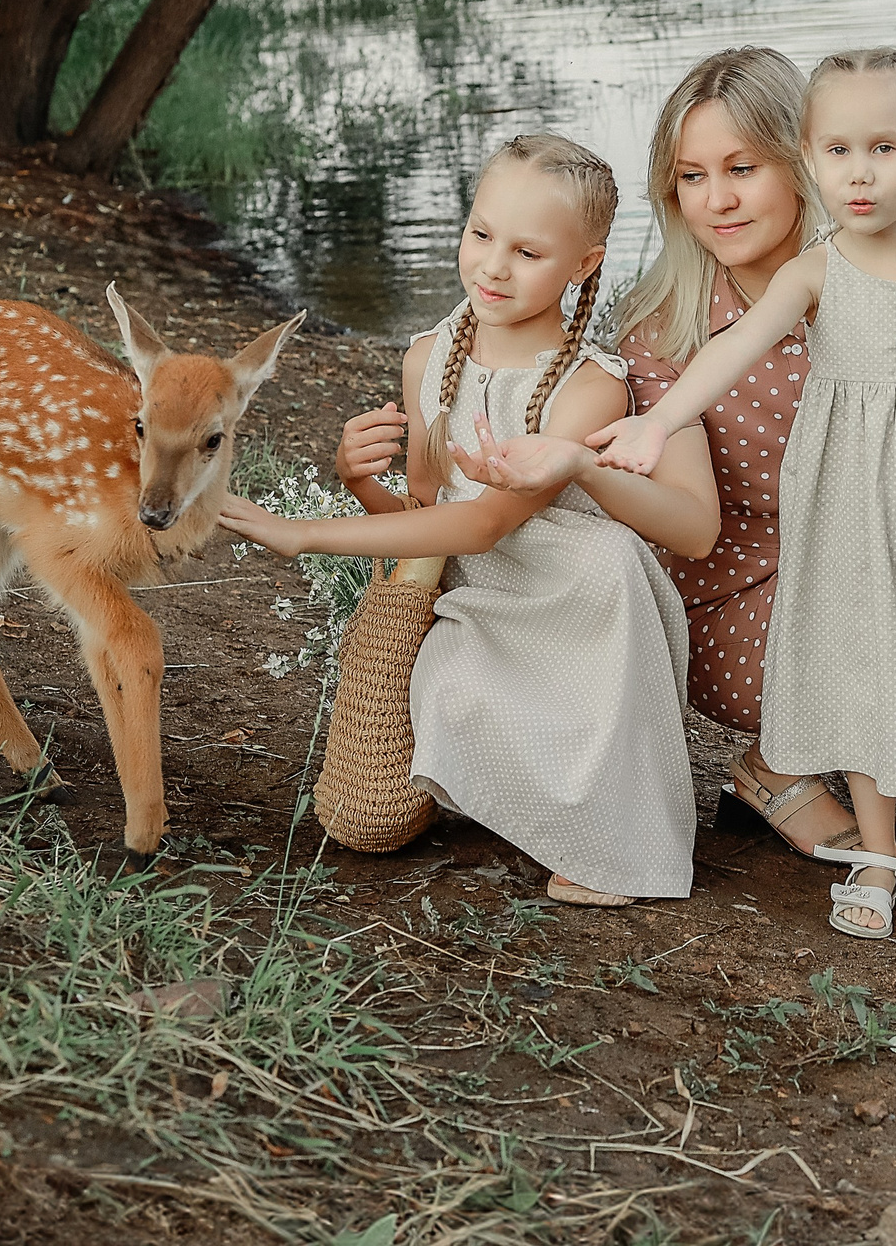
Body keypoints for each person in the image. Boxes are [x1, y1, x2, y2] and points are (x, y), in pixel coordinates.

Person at [469, 48, 896, 903]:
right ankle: (783, 763)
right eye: (692, 176)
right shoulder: (666, 329)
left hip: (888, 557)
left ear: (802, 158)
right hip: (742, 599)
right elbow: (683, 521)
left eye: (742, 168)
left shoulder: (893, 270)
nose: (716, 199)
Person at [219, 135, 704, 907]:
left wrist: (304, 531)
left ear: (583, 264)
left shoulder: (588, 388)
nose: (493, 266)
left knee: (606, 566)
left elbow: (482, 525)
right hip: (484, 586)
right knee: (449, 692)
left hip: (573, 596)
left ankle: (603, 831)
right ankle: (521, 792)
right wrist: (355, 481)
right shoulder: (428, 358)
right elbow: (427, 514)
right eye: (481, 234)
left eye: (528, 251)